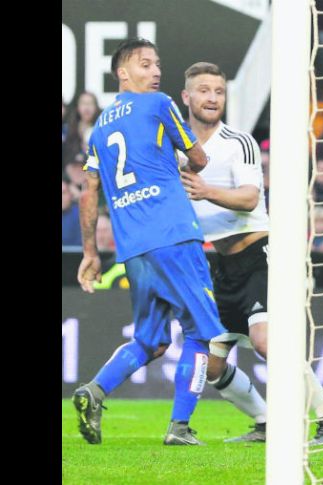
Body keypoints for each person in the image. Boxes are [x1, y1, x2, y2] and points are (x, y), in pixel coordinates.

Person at [179, 62, 323, 445]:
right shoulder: (175, 150)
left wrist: (207, 190)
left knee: (266, 341)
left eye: (219, 91)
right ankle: (265, 422)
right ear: (186, 97)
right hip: (220, 264)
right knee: (211, 361)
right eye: (204, 91)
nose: (212, 98)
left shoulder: (238, 142)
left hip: (258, 253)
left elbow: (250, 198)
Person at [73, 38, 226, 446]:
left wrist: (91, 252)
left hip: (132, 249)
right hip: (174, 234)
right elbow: (198, 159)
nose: (155, 71)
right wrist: (178, 160)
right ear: (123, 72)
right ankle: (179, 426)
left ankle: (96, 390)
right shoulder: (160, 105)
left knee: (152, 340)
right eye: (145, 64)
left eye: (157, 64)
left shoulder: (100, 127)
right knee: (202, 334)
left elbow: (89, 192)